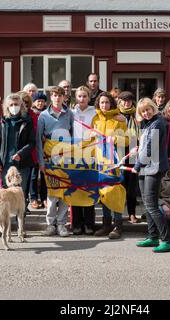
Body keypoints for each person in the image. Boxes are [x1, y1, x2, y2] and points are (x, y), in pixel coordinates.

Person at [0, 93, 35, 236]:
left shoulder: (27, 121)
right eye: (11, 105)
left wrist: (21, 153)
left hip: (22, 165)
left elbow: (31, 143)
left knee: (20, 198)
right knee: (3, 199)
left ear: (21, 105)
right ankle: (1, 228)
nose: (14, 107)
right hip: (5, 165)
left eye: (17, 104)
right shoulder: (2, 122)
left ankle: (21, 229)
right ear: (6, 107)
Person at [133, 98, 170, 253]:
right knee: (147, 203)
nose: (146, 113)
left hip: (153, 168)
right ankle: (153, 236)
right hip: (146, 167)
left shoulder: (157, 123)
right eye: (142, 111)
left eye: (148, 109)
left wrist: (136, 165)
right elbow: (145, 146)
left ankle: (167, 240)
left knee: (152, 205)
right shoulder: (148, 123)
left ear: (153, 108)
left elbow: (150, 149)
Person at [36, 86, 74, 237]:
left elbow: (74, 134)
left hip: (66, 155)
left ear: (64, 97)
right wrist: (41, 161)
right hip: (49, 155)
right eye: (54, 95)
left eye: (60, 95)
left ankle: (61, 224)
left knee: (65, 192)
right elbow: (39, 140)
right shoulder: (43, 116)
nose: (57, 98)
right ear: (50, 97)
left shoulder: (69, 114)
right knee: (52, 192)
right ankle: (50, 224)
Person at [91, 92, 128, 239]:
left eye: (107, 102)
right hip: (100, 163)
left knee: (116, 192)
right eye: (102, 103)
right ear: (98, 104)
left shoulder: (119, 119)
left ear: (111, 103)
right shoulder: (95, 119)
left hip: (115, 163)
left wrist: (115, 139)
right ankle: (106, 225)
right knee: (104, 193)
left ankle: (118, 225)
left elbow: (127, 140)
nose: (104, 105)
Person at [71, 86, 97, 235]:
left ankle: (89, 224)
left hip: (90, 155)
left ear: (89, 97)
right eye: (79, 96)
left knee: (89, 190)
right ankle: (76, 224)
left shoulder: (95, 112)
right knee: (74, 190)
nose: (82, 99)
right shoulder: (71, 113)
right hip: (73, 155)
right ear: (76, 98)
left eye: (84, 96)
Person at [117, 91, 139, 224]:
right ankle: (118, 214)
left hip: (133, 151)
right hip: (119, 151)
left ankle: (132, 213)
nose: (127, 103)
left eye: (129, 100)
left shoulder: (137, 115)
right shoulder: (115, 114)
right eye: (124, 100)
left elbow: (141, 131)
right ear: (120, 101)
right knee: (119, 184)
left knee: (131, 186)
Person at [29, 92, 48, 209]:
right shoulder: (31, 114)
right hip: (34, 148)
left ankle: (45, 198)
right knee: (33, 175)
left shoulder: (47, 114)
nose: (40, 103)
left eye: (42, 101)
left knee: (45, 174)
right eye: (38, 101)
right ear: (34, 102)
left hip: (46, 147)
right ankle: (34, 198)